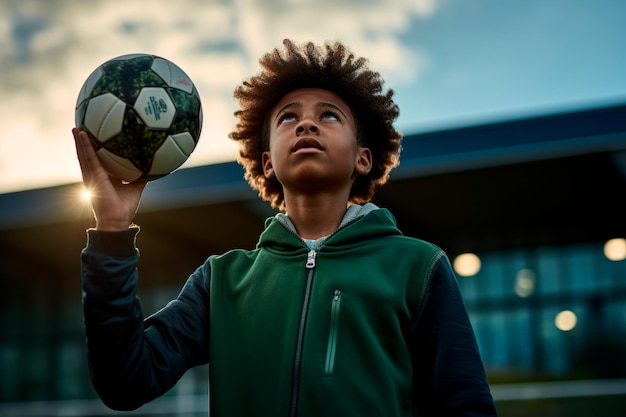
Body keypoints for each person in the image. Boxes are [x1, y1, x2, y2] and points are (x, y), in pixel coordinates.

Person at [74, 39, 497, 417]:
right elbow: (126, 383)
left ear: (363, 159)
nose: (306, 124)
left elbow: (465, 406)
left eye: (329, 116)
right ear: (268, 163)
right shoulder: (221, 281)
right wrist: (112, 228)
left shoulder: (417, 267)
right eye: (288, 118)